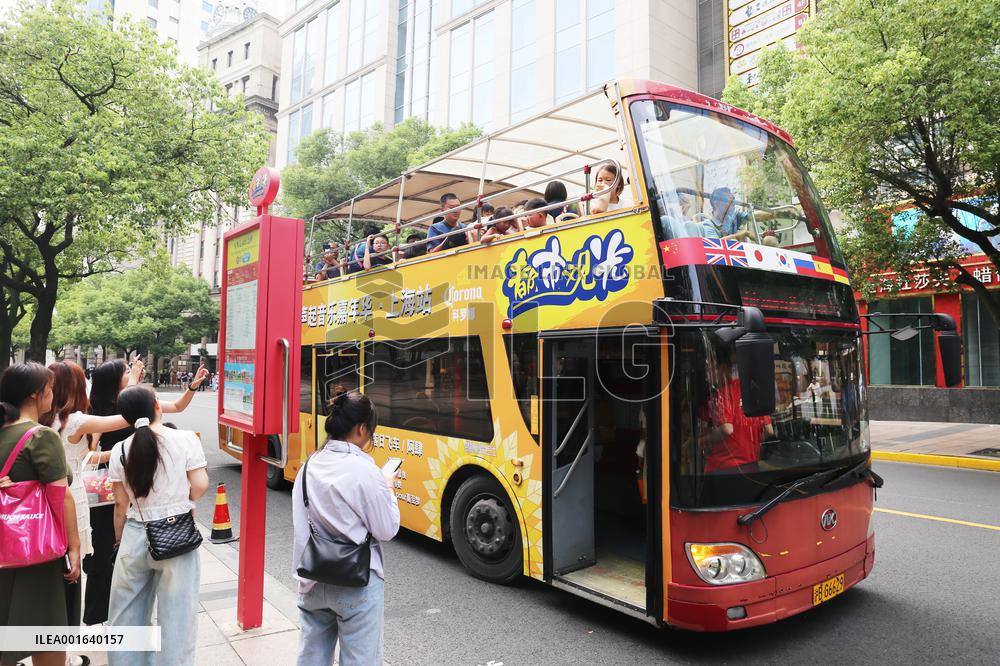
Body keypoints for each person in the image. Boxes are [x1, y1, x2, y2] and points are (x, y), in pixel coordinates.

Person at [81, 359, 208, 626]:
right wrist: (118, 455)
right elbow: (88, 454)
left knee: (132, 575)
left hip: (137, 499)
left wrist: (193, 387)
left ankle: (127, 622)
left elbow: (175, 406)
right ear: (113, 380)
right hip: (114, 490)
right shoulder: (102, 413)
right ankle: (97, 617)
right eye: (126, 371)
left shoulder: (136, 407)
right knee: (104, 557)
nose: (133, 372)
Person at [292, 391, 400, 666]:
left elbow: (302, 525)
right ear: (362, 429)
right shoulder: (366, 471)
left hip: (313, 578)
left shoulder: (307, 467)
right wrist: (388, 487)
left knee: (311, 659)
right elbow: (386, 529)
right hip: (357, 581)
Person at [107, 385, 209, 666]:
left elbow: (120, 504)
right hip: (177, 537)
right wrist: (178, 499)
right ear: (157, 407)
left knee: (126, 616)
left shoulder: (120, 450)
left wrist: (119, 539)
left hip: (134, 535)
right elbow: (200, 485)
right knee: (177, 617)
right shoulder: (185, 439)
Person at [0, 363, 81, 666]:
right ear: (35, 395)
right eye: (49, 389)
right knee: (45, 632)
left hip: (3, 548)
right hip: (36, 550)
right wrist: (73, 547)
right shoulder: (40, 436)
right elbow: (62, 497)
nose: (53, 395)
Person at [702, 355, 773, 472]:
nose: (707, 376)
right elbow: (769, 430)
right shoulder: (753, 391)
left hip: (724, 468)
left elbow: (727, 429)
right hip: (751, 465)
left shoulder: (721, 394)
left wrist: (703, 439)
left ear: (723, 368)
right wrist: (749, 444)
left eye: (710, 370)